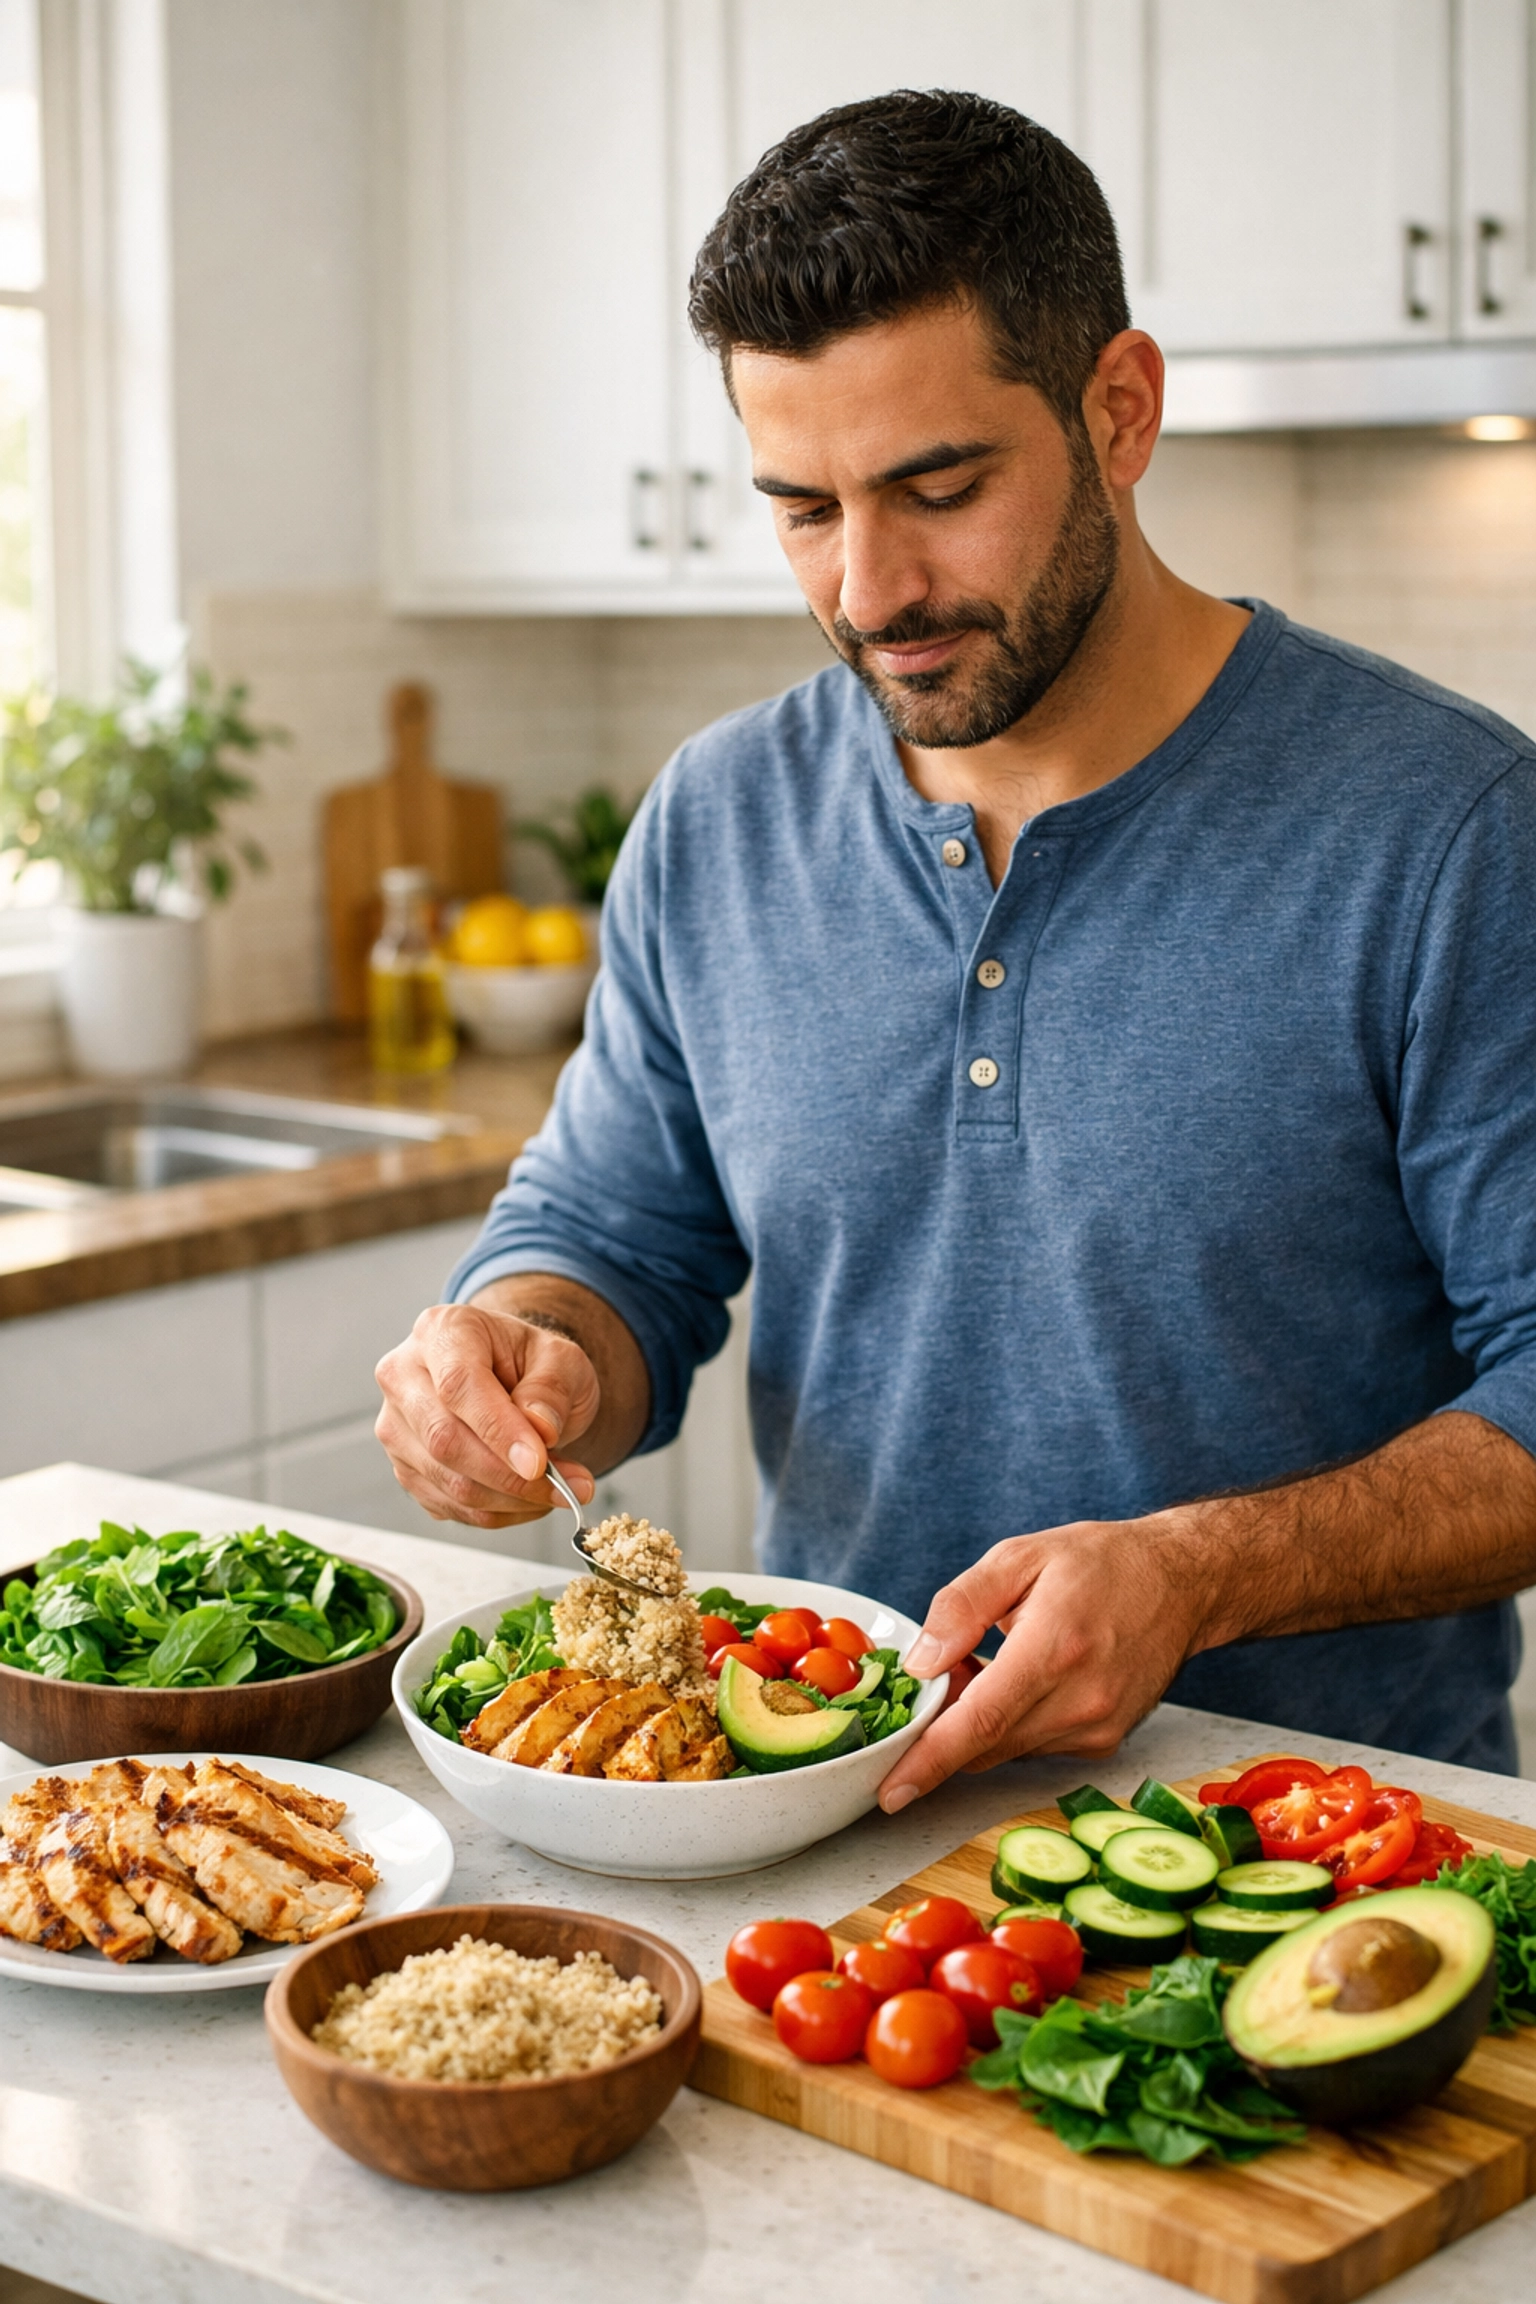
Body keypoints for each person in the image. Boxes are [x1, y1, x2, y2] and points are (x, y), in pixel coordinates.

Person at [375, 90, 1536, 1801]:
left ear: (1120, 410)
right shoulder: (718, 817)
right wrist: (527, 1352)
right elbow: (614, 1236)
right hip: (835, 1831)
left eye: (938, 486)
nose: (869, 589)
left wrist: (1202, 1568)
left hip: (1332, 1858)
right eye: (802, 507)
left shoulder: (1447, 828)